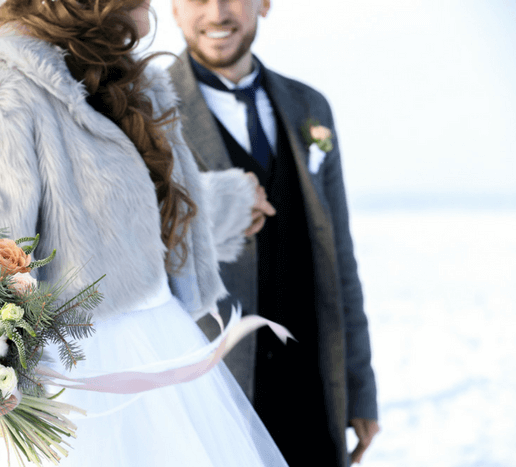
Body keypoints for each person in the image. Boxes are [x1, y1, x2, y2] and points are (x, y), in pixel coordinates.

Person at [0, 0, 287, 465]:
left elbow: (134, 220)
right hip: (79, 384)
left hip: (165, 350)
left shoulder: (129, 80)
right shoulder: (8, 90)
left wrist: (233, 201)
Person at [168, 0, 380, 465]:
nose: (218, 13)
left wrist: (359, 388)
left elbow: (339, 253)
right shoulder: (146, 108)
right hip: (213, 394)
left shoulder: (309, 106)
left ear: (264, 4)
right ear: (174, 9)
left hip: (311, 391)